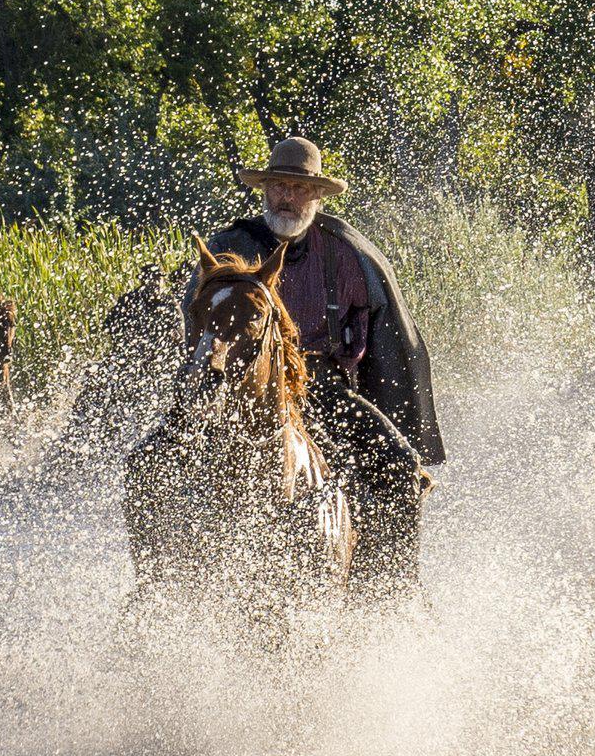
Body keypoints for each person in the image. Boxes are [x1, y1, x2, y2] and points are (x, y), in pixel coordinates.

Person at [185, 136, 443, 605]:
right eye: (279, 186)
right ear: (264, 190)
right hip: (239, 384)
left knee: (399, 467)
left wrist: (401, 417)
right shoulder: (228, 246)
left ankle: (390, 594)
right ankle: (162, 591)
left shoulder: (350, 253)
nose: (286, 197)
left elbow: (390, 342)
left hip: (323, 386)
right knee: (153, 463)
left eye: (298, 188)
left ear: (317, 195)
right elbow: (197, 319)